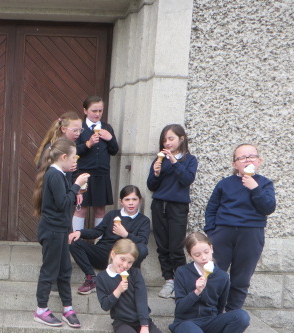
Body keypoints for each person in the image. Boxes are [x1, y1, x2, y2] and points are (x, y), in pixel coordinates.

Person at [204, 144, 276, 311]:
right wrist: (211, 233)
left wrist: (255, 188)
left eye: (251, 156)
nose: (247, 160)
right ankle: (211, 313)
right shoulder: (224, 184)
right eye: (242, 158)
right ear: (235, 164)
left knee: (241, 279)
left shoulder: (264, 184)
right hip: (223, 232)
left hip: (251, 234)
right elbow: (211, 208)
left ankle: (233, 314)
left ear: (259, 161)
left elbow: (268, 208)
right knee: (214, 275)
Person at [169, 232, 251, 333]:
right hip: (186, 322)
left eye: (206, 252)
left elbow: (221, 306)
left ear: (212, 248)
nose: (203, 257)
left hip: (209, 320)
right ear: (190, 255)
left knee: (242, 316)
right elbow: (180, 308)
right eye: (197, 255)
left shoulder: (222, 277)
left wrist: (215, 323)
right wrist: (196, 292)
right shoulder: (182, 272)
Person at [32, 137, 90, 328]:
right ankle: (41, 309)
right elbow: (62, 203)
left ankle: (67, 308)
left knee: (65, 270)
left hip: (61, 230)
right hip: (52, 231)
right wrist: (76, 185)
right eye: (73, 157)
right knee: (49, 271)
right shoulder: (54, 175)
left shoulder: (60, 174)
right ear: (64, 157)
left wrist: (75, 193)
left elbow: (64, 198)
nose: (75, 161)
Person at [96, 239, 171, 333]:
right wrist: (118, 291)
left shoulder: (135, 274)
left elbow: (141, 301)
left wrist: (144, 326)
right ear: (113, 254)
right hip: (122, 322)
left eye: (130, 262)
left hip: (141, 320)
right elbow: (105, 305)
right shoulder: (102, 278)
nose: (125, 265)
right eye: (122, 259)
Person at [147, 124, 198, 299]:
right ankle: (168, 280)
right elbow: (151, 185)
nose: (167, 143)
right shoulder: (159, 159)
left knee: (176, 247)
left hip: (177, 207)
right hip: (159, 205)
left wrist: (174, 162)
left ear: (181, 139)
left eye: (171, 139)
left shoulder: (189, 160)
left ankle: (181, 282)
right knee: (162, 246)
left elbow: (187, 179)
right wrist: (156, 173)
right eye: (164, 140)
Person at [69, 185, 150, 295]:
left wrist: (125, 234)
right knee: (73, 241)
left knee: (142, 248)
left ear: (140, 200)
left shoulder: (144, 220)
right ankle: (92, 278)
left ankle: (128, 277)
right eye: (127, 199)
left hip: (124, 258)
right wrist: (80, 233)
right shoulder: (112, 215)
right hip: (104, 254)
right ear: (121, 201)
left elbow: (143, 240)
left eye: (134, 199)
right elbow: (97, 231)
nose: (131, 203)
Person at [72, 96, 119, 232]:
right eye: (94, 111)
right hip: (83, 174)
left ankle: (99, 241)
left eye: (100, 110)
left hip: (101, 174)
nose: (98, 114)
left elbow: (114, 150)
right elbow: (73, 151)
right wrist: (88, 144)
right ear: (85, 111)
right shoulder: (80, 128)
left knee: (100, 210)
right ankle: (76, 240)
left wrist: (110, 138)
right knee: (81, 208)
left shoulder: (107, 127)